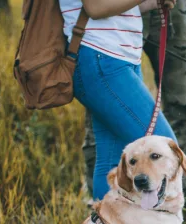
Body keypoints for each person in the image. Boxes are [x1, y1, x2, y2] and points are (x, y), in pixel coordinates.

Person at [82, 0, 186, 206]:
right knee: (108, 120)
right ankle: (107, 214)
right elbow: (94, 7)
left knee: (183, 104)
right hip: (108, 25)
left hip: (168, 10)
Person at [59, 0, 177, 200]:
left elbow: (115, 5)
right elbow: (95, 7)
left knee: (111, 164)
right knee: (164, 147)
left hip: (119, 59)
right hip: (101, 58)